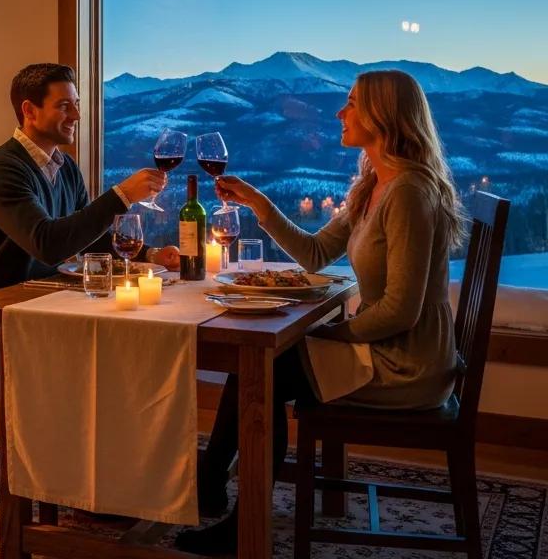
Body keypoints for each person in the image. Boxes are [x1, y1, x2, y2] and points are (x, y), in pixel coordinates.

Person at [176, 69, 468, 554]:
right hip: (385, 348)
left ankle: (236, 520)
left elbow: (400, 311)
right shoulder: (378, 183)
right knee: (264, 366)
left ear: (383, 115)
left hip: (406, 364)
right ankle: (210, 487)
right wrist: (256, 202)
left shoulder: (410, 193)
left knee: (265, 370)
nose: (340, 112)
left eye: (351, 103)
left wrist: (327, 337)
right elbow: (314, 254)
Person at [0, 63, 180, 369]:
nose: (76, 116)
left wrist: (151, 254)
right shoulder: (2, 170)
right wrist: (122, 195)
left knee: (139, 334)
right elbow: (48, 245)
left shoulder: (66, 167)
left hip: (46, 306)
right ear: (30, 111)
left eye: (75, 105)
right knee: (116, 348)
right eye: (64, 106)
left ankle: (103, 418)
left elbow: (90, 240)